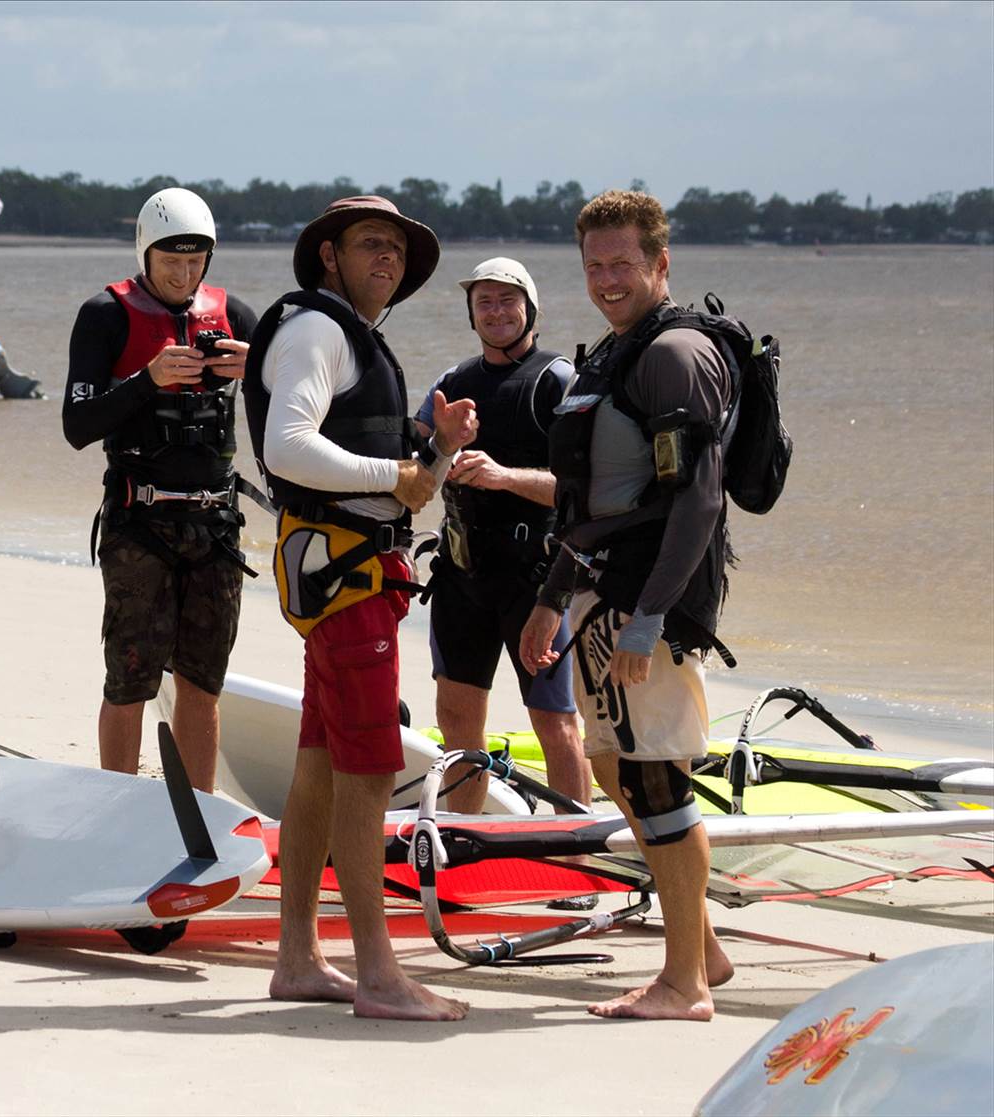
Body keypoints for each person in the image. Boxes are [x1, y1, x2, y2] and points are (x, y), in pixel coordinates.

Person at [242, 196, 477, 1020]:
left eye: (397, 250)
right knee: (369, 769)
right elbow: (285, 447)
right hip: (344, 580)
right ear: (328, 256)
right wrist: (399, 473)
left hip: (344, 573)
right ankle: (377, 973)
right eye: (370, 243)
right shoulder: (317, 330)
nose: (388, 258)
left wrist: (438, 449)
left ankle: (298, 958)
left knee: (318, 765)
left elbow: (404, 486)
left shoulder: (347, 334)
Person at [520, 189, 738, 1021]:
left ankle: (682, 984)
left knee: (655, 779)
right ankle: (702, 949)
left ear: (659, 262)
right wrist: (551, 598)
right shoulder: (615, 353)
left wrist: (647, 619)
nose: (607, 278)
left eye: (622, 263)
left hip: (647, 603)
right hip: (598, 595)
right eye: (593, 265)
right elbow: (589, 499)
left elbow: (700, 499)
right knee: (614, 767)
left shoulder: (674, 355)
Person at [62, 187, 259, 797]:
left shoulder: (235, 315)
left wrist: (260, 371)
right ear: (145, 253)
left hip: (215, 528)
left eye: (196, 262)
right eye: (171, 261)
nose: (183, 274)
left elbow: (297, 411)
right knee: (130, 679)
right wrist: (148, 379)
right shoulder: (105, 314)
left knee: (203, 683)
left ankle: (198, 812)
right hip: (138, 524)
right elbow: (77, 426)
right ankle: (117, 808)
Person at [418, 259, 591, 821]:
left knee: (554, 721)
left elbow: (585, 492)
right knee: (457, 718)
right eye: (484, 303)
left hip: (534, 583)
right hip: (461, 577)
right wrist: (441, 450)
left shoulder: (559, 380)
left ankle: (575, 848)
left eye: (506, 301)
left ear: (530, 308)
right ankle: (463, 832)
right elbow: (411, 468)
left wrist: (504, 477)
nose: (495, 313)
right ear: (471, 315)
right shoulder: (451, 384)